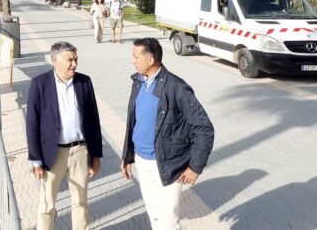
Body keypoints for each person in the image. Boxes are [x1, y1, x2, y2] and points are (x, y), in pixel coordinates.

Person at [121, 38, 215, 230]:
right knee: (154, 214)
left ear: (150, 59)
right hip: (141, 160)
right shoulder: (138, 82)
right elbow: (134, 123)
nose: (133, 60)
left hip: (168, 164)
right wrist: (127, 156)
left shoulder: (177, 87)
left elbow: (204, 128)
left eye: (136, 56)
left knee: (168, 221)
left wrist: (195, 166)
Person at [25, 42, 103, 230]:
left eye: (76, 59)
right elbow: (32, 124)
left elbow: (93, 120)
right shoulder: (40, 84)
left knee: (80, 203)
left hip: (80, 151)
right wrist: (36, 160)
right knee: (47, 205)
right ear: (55, 61)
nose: (74, 64)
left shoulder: (84, 82)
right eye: (70, 60)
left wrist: (96, 155)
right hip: (52, 154)